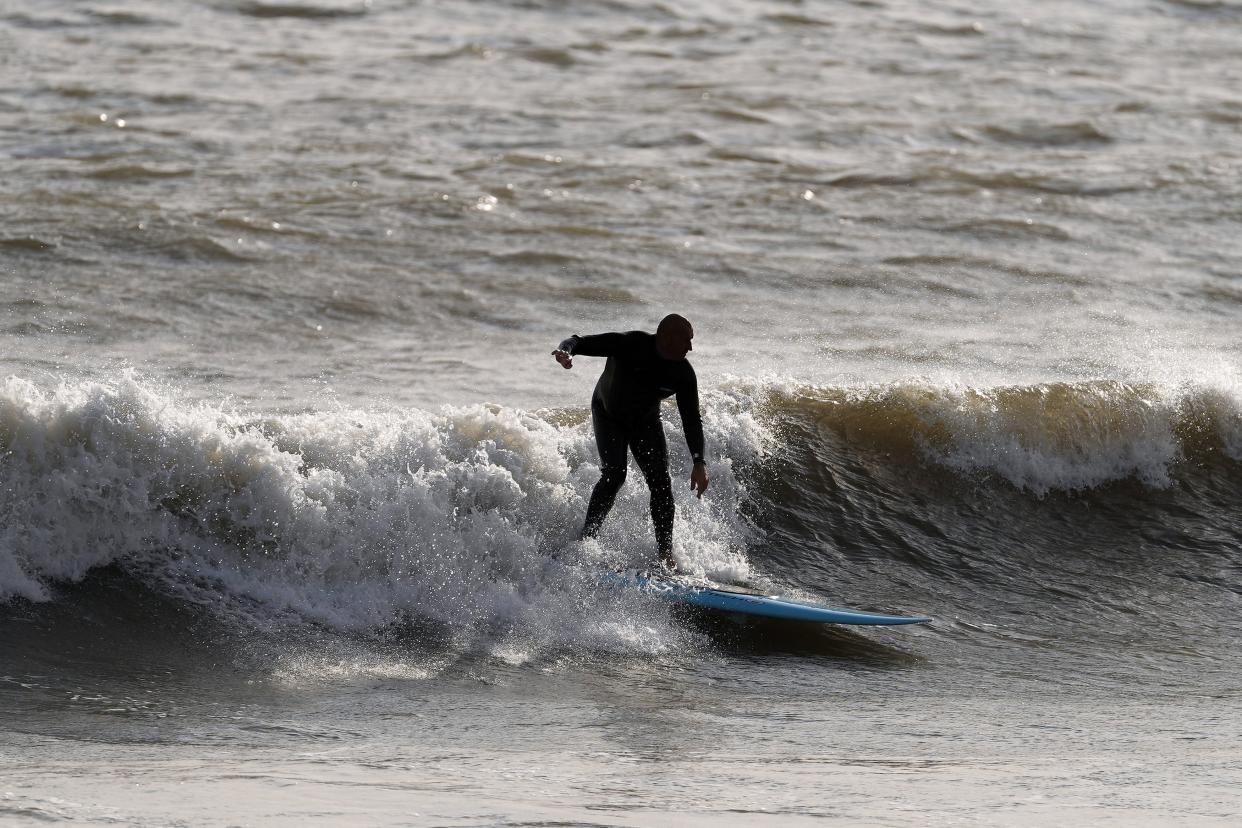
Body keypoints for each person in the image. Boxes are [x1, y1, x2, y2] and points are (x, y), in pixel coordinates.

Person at [551, 314, 709, 571]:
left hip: (645, 423)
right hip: (608, 414)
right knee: (615, 474)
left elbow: (691, 419)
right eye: (686, 341)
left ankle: (665, 555)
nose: (690, 348)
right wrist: (564, 351)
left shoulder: (683, 373)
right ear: (666, 337)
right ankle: (586, 540)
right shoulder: (629, 344)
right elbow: (578, 341)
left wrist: (699, 461)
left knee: (660, 481)